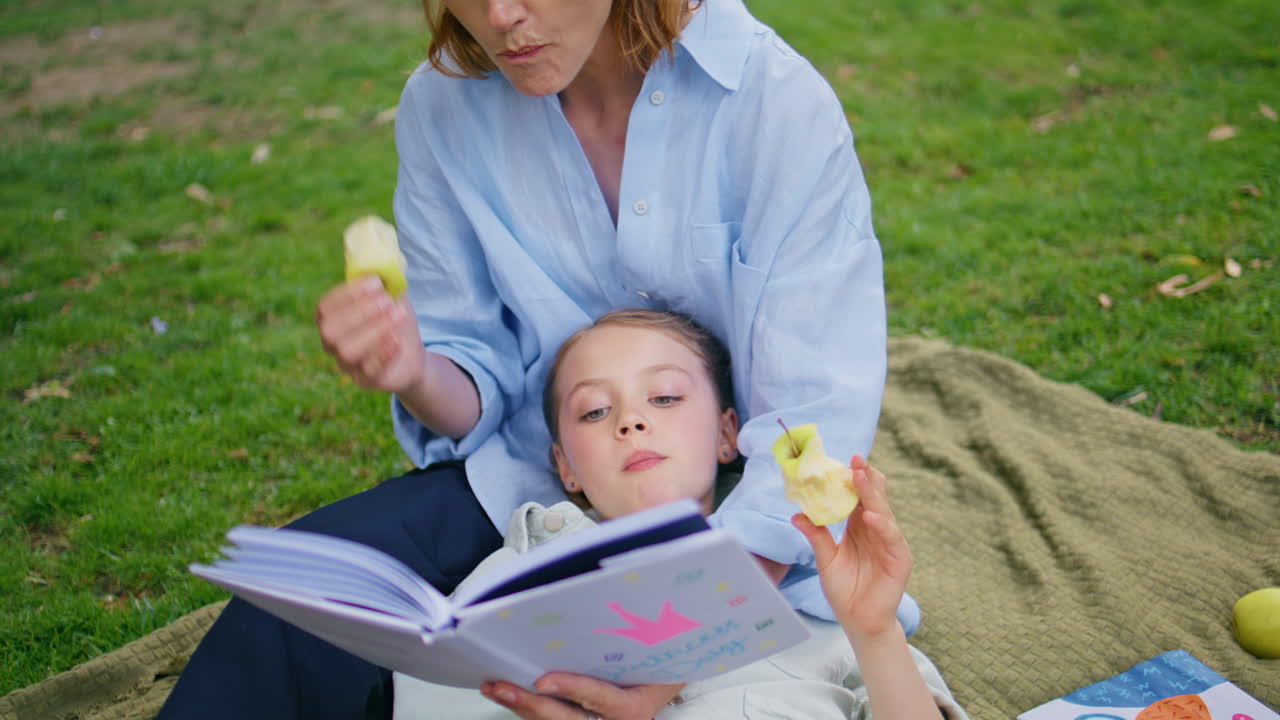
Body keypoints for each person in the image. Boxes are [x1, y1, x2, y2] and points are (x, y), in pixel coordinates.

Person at [161, 0, 896, 717]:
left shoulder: (774, 102)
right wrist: (412, 368)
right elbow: (471, 368)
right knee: (300, 605)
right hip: (524, 479)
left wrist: (668, 655)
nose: (500, 16)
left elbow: (813, 418)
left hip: (730, 505)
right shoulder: (441, 108)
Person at [393, 310, 965, 720]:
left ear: (726, 434)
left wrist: (875, 631)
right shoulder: (511, 584)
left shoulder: (823, 605)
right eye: (594, 411)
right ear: (565, 468)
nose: (631, 421)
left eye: (664, 398)